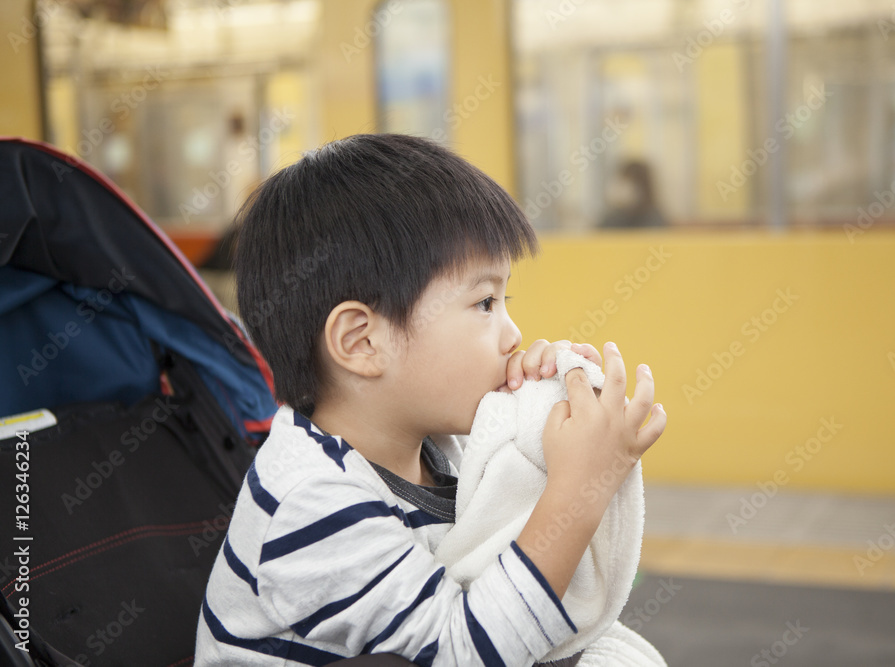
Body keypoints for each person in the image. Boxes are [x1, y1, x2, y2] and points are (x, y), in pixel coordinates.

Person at [194, 134, 667, 666]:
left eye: (506, 300)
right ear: (362, 342)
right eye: (484, 302)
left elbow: (497, 550)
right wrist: (581, 487)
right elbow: (464, 652)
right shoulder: (308, 501)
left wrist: (538, 413)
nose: (513, 335)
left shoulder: (440, 446)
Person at [598, 159, 668, 229]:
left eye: (632, 185)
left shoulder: (654, 217)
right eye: (623, 183)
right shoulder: (613, 217)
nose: (626, 191)